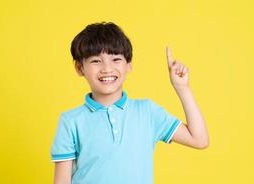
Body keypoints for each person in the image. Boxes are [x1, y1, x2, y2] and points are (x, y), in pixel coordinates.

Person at [50, 22, 209, 184]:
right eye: (96, 61)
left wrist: (182, 88)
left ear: (129, 65)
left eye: (116, 59)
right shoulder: (70, 121)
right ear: (79, 68)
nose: (107, 68)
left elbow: (199, 139)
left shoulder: (148, 112)